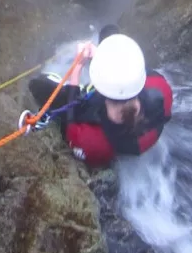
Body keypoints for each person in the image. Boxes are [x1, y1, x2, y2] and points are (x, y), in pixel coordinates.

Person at [28, 26, 173, 168]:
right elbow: (135, 74)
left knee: (38, 85)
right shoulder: (161, 88)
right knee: (109, 31)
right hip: (140, 135)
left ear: (99, 87)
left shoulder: (94, 142)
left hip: (107, 135)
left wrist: (76, 70)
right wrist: (101, 56)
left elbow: (71, 129)